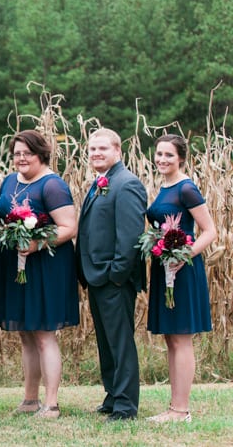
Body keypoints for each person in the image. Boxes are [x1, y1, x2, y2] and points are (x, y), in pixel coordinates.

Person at [0, 130, 79, 419]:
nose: (20, 158)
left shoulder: (52, 186)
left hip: (45, 267)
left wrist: (36, 243)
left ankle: (50, 403)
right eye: (16, 153)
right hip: (14, 264)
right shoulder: (8, 181)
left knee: (43, 334)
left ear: (41, 154)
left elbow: (68, 227)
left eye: (26, 153)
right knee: (26, 334)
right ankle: (29, 398)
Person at [76, 128, 147, 421]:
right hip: (97, 277)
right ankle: (113, 395)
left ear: (118, 151)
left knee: (120, 342)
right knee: (106, 342)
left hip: (113, 278)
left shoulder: (126, 184)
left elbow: (130, 236)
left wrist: (116, 274)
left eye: (102, 148)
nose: (96, 154)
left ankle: (126, 405)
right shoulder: (100, 183)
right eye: (92, 149)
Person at [145, 134, 216, 423]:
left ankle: (181, 410)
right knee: (172, 340)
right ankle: (174, 407)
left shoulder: (186, 188)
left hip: (183, 271)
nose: (162, 159)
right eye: (159, 154)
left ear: (181, 159)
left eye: (169, 155)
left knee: (182, 339)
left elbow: (211, 231)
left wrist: (181, 257)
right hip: (164, 270)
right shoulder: (164, 187)